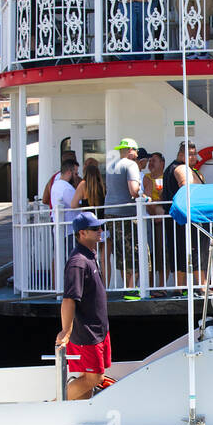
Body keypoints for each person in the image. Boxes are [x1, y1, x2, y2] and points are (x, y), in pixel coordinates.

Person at [56, 212, 111, 400]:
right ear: (82, 233)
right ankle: (51, 406)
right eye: (95, 228)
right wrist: (66, 332)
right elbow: (69, 299)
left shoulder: (90, 256)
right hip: (86, 333)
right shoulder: (78, 262)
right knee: (95, 378)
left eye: (100, 227)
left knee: (88, 378)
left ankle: (79, 418)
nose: (100, 231)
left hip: (98, 330)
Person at [165, 142, 209, 287]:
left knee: (180, 251)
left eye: (195, 153)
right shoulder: (181, 168)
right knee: (195, 251)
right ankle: (202, 286)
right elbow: (185, 186)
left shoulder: (173, 169)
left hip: (178, 217)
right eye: (190, 154)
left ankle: (180, 287)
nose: (194, 157)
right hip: (189, 217)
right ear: (181, 155)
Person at [104, 138, 143, 288]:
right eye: (136, 151)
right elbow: (134, 190)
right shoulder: (131, 164)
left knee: (121, 254)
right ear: (131, 150)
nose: (137, 154)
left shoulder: (111, 165)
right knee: (136, 252)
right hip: (126, 214)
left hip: (109, 214)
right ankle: (133, 289)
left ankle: (127, 287)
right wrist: (145, 198)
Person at [142, 152, 171, 285]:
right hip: (150, 219)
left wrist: (160, 198)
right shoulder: (146, 178)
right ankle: (152, 286)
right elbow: (146, 199)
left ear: (162, 164)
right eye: (150, 161)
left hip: (163, 220)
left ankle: (161, 286)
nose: (151, 163)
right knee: (151, 254)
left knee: (163, 253)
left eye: (154, 160)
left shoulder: (168, 177)